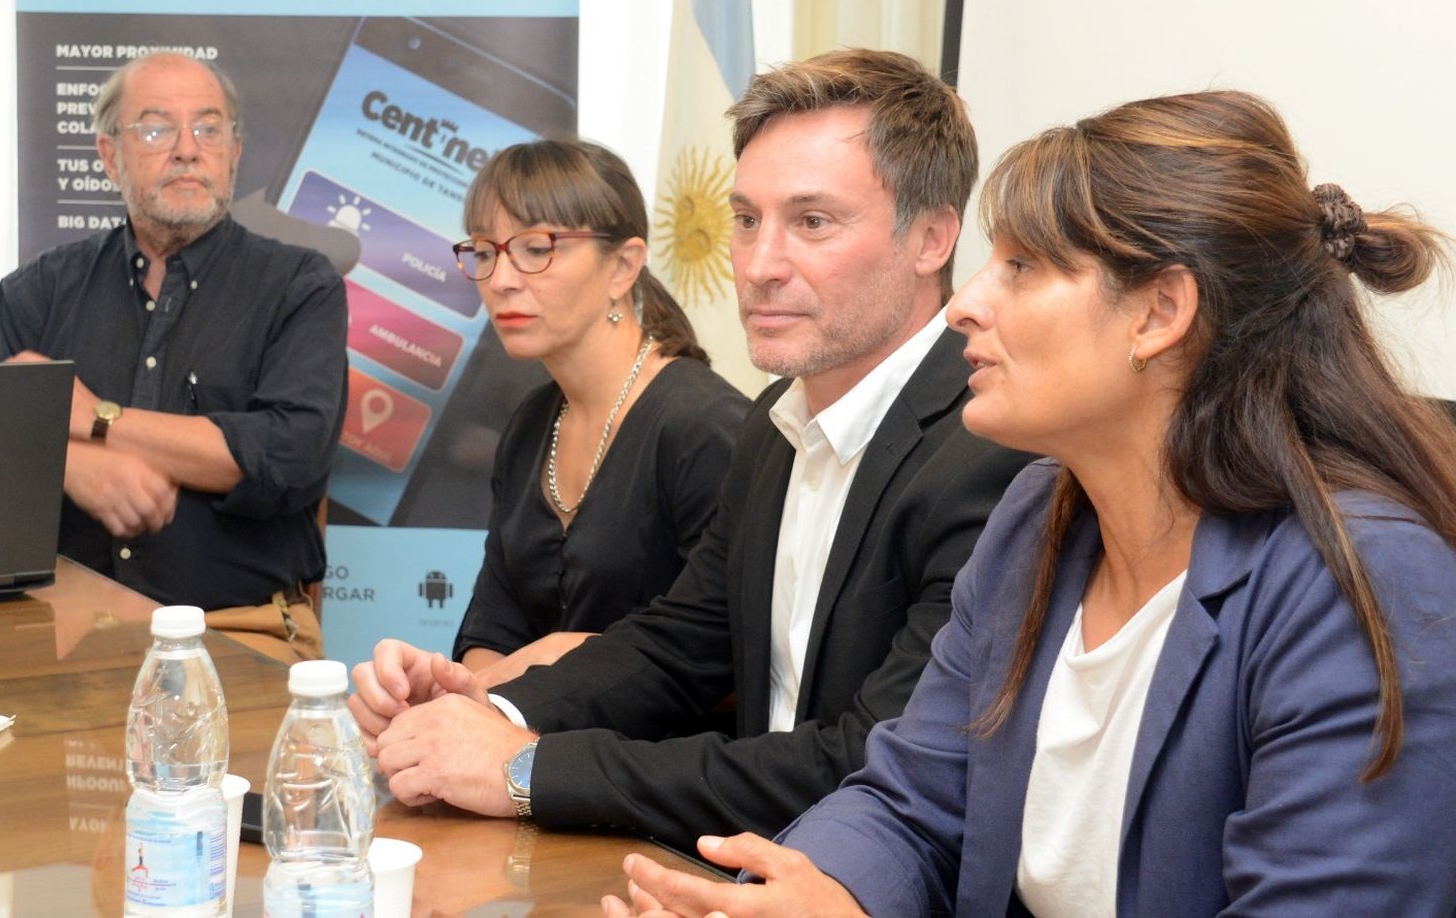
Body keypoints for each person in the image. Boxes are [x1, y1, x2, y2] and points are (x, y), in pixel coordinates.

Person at [605, 90, 1456, 917]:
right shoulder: (1035, 514)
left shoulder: (1361, 579)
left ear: (1160, 311)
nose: (966, 303)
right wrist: (812, 895)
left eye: (1021, 265)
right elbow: (910, 800)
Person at [349, 49, 1033, 851]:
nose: (759, 265)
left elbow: (869, 754)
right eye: (747, 220)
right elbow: (680, 644)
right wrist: (491, 708)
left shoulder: (994, 448)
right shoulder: (777, 420)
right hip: (733, 869)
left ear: (931, 238)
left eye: (812, 221)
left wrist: (528, 768)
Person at [0, 52, 348, 663]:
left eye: (208, 127)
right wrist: (66, 463)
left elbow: (288, 455)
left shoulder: (300, 286)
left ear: (235, 152)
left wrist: (98, 422)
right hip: (52, 628)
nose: (187, 148)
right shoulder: (38, 291)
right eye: (155, 127)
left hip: (235, 627)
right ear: (110, 154)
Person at [450, 138, 748, 687]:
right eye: (485, 251)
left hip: (659, 761)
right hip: (521, 743)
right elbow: (492, 626)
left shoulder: (706, 428)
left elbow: (724, 659)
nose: (501, 280)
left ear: (624, 266)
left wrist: (508, 692)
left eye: (536, 248)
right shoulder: (531, 423)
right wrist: (469, 702)